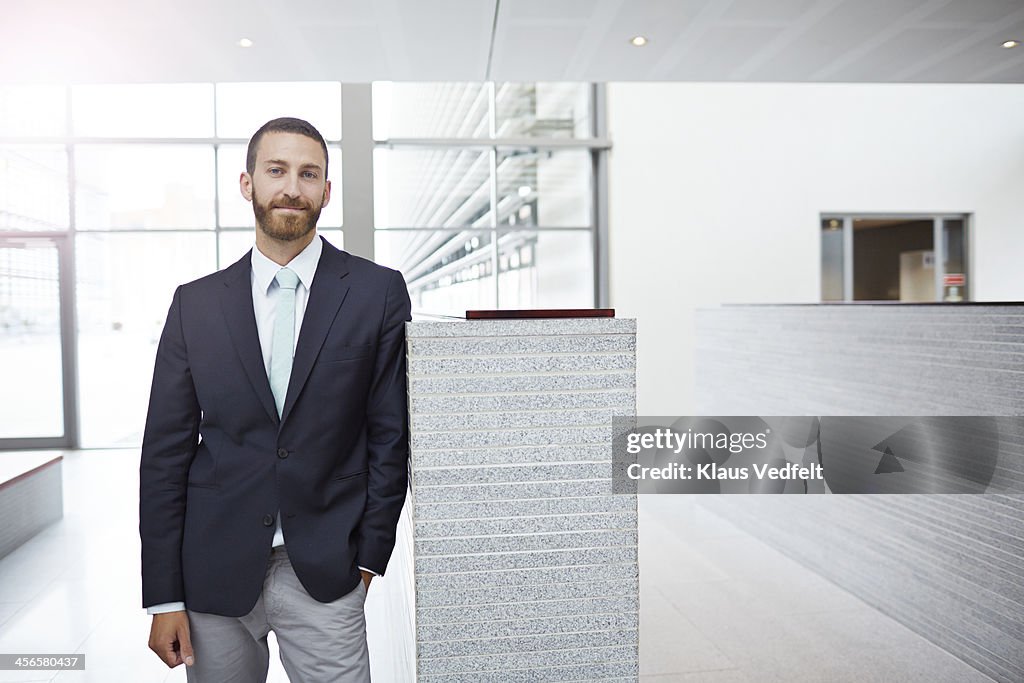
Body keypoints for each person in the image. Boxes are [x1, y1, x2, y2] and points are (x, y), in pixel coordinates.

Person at [139, 117, 411, 682]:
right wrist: (164, 597)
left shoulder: (376, 292)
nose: (293, 187)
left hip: (325, 567)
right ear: (248, 184)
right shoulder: (195, 304)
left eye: (309, 174)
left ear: (326, 191)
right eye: (277, 170)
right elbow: (164, 453)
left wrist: (367, 559)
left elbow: (391, 432)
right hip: (211, 568)